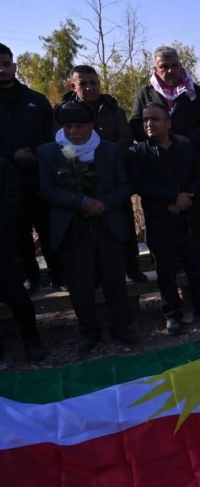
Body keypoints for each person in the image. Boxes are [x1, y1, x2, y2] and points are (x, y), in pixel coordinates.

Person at [38, 100, 138, 355]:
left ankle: (121, 326)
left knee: (114, 279)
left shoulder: (109, 150)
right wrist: (81, 202)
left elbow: (125, 185)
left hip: (108, 223)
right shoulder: (49, 152)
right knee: (80, 283)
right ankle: (89, 330)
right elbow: (47, 189)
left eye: (79, 126)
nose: (73, 131)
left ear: (91, 125)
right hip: (72, 227)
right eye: (68, 126)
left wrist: (102, 204)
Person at [128, 102, 200, 334]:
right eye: (145, 119)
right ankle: (172, 315)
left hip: (188, 217)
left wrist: (186, 198)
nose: (149, 124)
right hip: (159, 219)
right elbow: (140, 185)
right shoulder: (138, 152)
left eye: (155, 119)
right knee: (165, 271)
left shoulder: (185, 148)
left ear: (168, 123)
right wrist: (172, 198)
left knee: (195, 266)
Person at [128, 46, 200, 270]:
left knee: (196, 211)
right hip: (157, 164)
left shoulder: (198, 93)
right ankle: (169, 262)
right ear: (155, 68)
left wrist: (187, 139)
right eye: (164, 67)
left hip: (191, 162)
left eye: (174, 65)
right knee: (162, 213)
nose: (170, 70)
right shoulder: (146, 93)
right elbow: (135, 125)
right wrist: (160, 138)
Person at [59, 64, 146, 283]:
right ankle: (96, 272)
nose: (90, 88)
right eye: (83, 84)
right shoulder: (64, 112)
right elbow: (61, 142)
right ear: (73, 86)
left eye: (94, 83)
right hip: (80, 177)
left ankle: (132, 265)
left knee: (123, 222)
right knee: (89, 228)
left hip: (112, 175)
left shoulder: (113, 109)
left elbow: (125, 138)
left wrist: (105, 156)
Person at [0, 42, 62, 291]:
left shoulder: (36, 99)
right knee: (17, 231)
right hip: (6, 182)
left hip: (39, 175)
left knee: (48, 227)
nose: (2, 70)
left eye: (6, 64)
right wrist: (11, 154)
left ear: (14, 66)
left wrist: (36, 152)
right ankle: (31, 277)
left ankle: (59, 274)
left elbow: (53, 134)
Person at [0, 156, 47, 362]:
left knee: (15, 293)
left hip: (3, 243)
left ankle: (32, 341)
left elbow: (12, 203)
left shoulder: (3, 166)